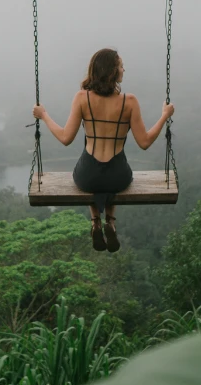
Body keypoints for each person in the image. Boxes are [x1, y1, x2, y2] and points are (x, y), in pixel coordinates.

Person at [32, 48, 174, 252]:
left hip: (88, 176)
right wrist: (164, 116)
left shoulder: (82, 98)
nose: (124, 69)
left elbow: (65, 138)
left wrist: (44, 115)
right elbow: (144, 142)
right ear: (112, 71)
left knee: (89, 170)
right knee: (113, 175)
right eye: (121, 65)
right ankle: (111, 222)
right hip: (118, 177)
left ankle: (95, 222)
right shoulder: (130, 101)